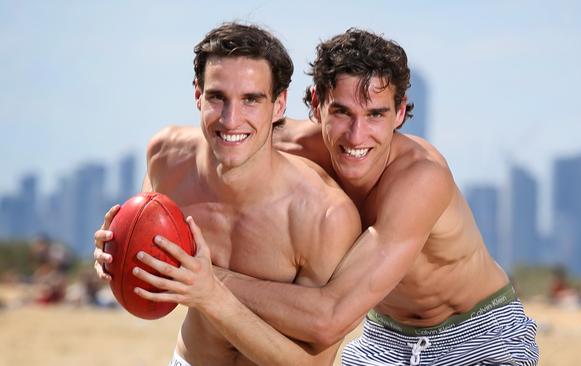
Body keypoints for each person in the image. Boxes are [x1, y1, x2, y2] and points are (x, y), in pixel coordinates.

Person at [215, 29, 539, 365]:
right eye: (342, 112)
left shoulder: (419, 178)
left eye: (375, 114)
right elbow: (194, 150)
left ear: (399, 113)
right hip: (383, 339)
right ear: (316, 104)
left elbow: (330, 318)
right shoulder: (284, 148)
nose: (357, 136)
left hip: (478, 337)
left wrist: (208, 280)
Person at [93, 22, 361, 366]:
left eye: (251, 99)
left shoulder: (323, 214)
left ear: (279, 104)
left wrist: (212, 295)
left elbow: (309, 364)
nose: (231, 119)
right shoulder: (167, 158)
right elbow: (148, 256)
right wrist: (118, 254)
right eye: (217, 97)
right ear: (197, 94)